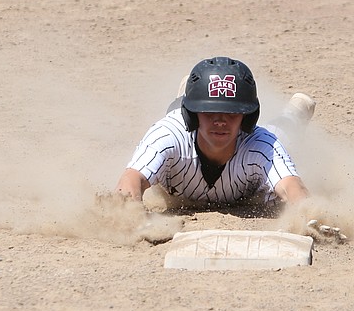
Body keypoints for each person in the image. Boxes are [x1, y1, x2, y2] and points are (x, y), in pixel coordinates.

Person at [116, 57, 317, 213]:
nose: (220, 121)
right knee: (175, 118)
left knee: (281, 134)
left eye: (231, 113)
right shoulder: (167, 135)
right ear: (193, 114)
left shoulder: (262, 145)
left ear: (247, 117)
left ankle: (294, 113)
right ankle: (185, 97)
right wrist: (129, 214)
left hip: (249, 156)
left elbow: (292, 187)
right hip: (182, 133)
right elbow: (132, 179)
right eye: (209, 112)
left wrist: (309, 215)